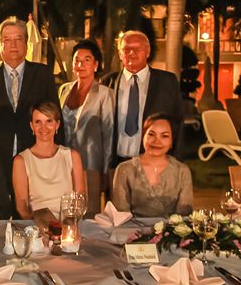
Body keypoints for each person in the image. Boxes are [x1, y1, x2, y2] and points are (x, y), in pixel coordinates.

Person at [0, 18, 60, 217]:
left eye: (18, 39)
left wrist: (56, 153)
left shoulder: (42, 74)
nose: (13, 45)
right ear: (0, 44)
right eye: (7, 40)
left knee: (30, 213)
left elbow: (54, 114)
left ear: (26, 43)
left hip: (33, 156)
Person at [101, 31, 183, 168]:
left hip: (153, 162)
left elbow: (178, 122)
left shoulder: (167, 82)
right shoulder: (107, 82)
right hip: (115, 163)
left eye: (137, 49)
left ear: (148, 52)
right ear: (120, 54)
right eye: (127, 49)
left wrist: (176, 161)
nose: (132, 53)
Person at [58, 39, 114, 216]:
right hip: (64, 164)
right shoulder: (64, 90)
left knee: (89, 214)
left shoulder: (105, 94)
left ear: (96, 64)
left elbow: (109, 133)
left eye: (87, 59)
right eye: (77, 60)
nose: (80, 64)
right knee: (65, 212)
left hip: (90, 165)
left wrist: (105, 170)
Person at [12, 101, 85, 220]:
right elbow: (22, 205)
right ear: (31, 126)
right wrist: (37, 224)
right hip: (38, 227)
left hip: (69, 226)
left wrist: (67, 225)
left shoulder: (72, 156)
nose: (43, 128)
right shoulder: (21, 161)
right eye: (38, 122)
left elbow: (80, 199)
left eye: (49, 121)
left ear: (57, 125)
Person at [112, 113, 193, 217]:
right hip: (131, 231)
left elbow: (184, 216)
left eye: (164, 136)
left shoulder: (182, 171)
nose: (156, 141)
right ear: (143, 136)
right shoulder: (125, 169)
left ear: (172, 141)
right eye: (151, 134)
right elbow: (120, 214)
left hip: (170, 231)